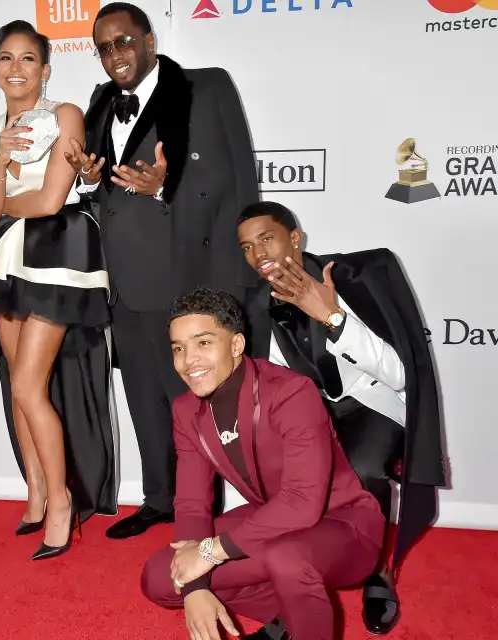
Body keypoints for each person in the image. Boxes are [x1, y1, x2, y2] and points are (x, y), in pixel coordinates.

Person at [65, 2, 261, 540]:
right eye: (104, 48)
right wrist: (87, 180)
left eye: (123, 42)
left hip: (187, 276)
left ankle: (211, 510)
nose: (114, 56)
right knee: (145, 398)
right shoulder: (102, 102)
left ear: (149, 40)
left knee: (200, 401)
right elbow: (106, 186)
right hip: (124, 281)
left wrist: (166, 189)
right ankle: (159, 499)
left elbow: (235, 179)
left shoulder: (207, 87)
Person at [236, 201, 445, 635]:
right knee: (285, 477)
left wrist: (331, 318)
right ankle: (296, 588)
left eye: (267, 238)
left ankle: (377, 571)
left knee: (363, 468)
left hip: (370, 403)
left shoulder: (355, 280)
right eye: (247, 247)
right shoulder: (251, 306)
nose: (258, 254)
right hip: (310, 414)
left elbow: (401, 375)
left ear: (295, 238)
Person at [0, 20, 117, 561]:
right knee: (14, 388)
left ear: (44, 70)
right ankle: (36, 492)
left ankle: (63, 502)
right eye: (6, 58)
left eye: (28, 59)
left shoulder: (66, 115)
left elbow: (49, 202)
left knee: (29, 387)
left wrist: (4, 204)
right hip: (2, 260)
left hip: (54, 254)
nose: (16, 68)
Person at [141, 287, 385, 640]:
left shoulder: (290, 392)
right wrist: (194, 587)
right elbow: (193, 502)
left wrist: (210, 553)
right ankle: (287, 615)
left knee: (286, 558)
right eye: (178, 348)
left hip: (345, 526)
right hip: (272, 522)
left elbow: (301, 504)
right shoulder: (185, 410)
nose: (188, 359)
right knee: (162, 577)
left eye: (203, 343)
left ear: (236, 345)